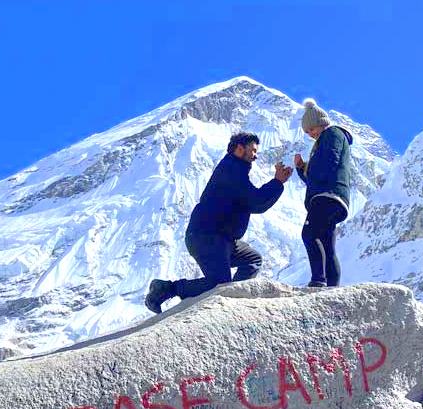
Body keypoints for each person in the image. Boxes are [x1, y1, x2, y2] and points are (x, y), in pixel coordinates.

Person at [145, 132, 293, 313]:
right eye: (253, 150)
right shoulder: (231, 171)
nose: (255, 155)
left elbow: (252, 200)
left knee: (252, 259)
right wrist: (277, 182)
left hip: (223, 238)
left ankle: (235, 296)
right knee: (219, 283)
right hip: (207, 236)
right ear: (240, 149)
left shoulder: (235, 170)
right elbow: (256, 202)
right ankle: (167, 289)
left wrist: (277, 183)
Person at [294, 98, 354, 287]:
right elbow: (316, 177)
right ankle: (331, 286)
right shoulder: (325, 140)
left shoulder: (332, 134)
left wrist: (308, 168)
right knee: (327, 244)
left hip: (327, 197)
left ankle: (318, 280)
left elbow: (329, 161)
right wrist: (302, 169)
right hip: (333, 196)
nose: (311, 134)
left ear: (322, 123)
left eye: (312, 129)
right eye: (307, 132)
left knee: (309, 234)